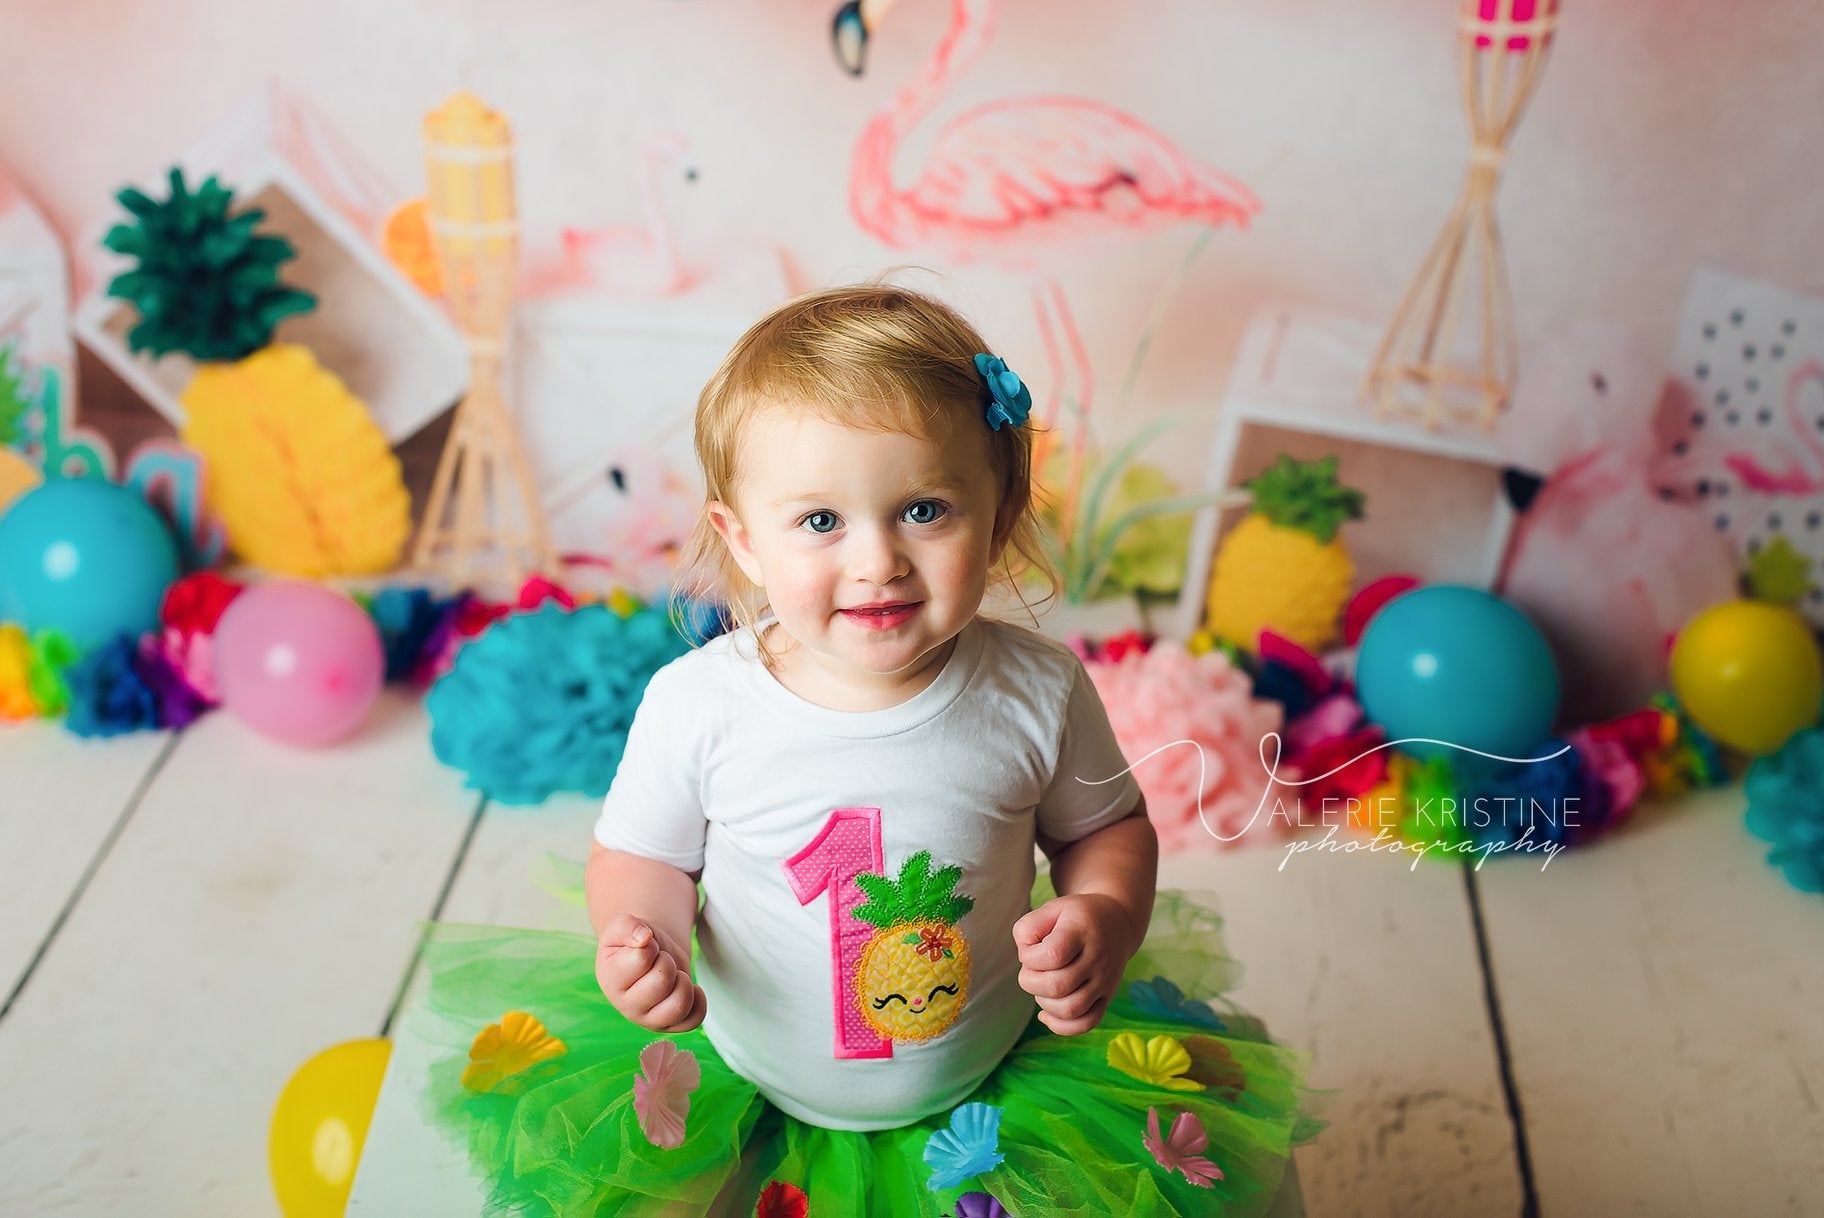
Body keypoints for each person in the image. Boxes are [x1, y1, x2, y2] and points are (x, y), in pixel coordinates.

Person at [418, 284, 1320, 1217]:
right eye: (820, 522)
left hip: (993, 1080)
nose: (877, 560)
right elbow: (645, 854)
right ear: (746, 541)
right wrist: (645, 940)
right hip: (747, 1077)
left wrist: (1104, 912)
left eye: (924, 510)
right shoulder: (700, 704)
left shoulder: (1038, 691)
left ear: (1001, 511)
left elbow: (1109, 828)